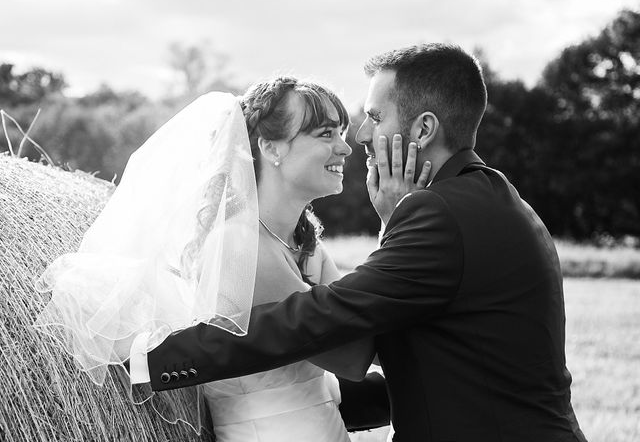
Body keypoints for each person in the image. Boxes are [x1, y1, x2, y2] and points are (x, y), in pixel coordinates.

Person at [139, 44, 588, 442]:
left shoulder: (440, 214)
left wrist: (160, 359)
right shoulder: (490, 197)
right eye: (327, 132)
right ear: (269, 148)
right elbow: (359, 341)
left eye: (373, 117)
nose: (358, 138)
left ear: (423, 129)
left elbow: (334, 327)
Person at [35, 76, 423, 441]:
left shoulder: (304, 244)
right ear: (271, 148)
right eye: (325, 134)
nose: (344, 146)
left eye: (340, 132)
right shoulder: (243, 246)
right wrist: (393, 223)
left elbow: (369, 332)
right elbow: (355, 354)